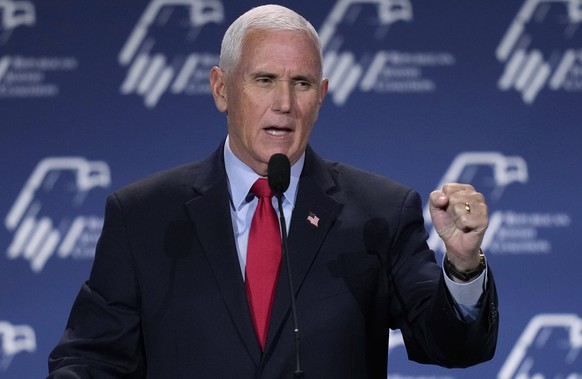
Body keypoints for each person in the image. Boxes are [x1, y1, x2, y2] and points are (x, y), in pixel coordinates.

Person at [47, 4, 498, 378]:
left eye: (300, 83)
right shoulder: (143, 215)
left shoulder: (380, 212)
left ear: (320, 96)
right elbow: (92, 359)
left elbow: (451, 346)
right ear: (221, 89)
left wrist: (461, 266)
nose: (284, 102)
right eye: (264, 80)